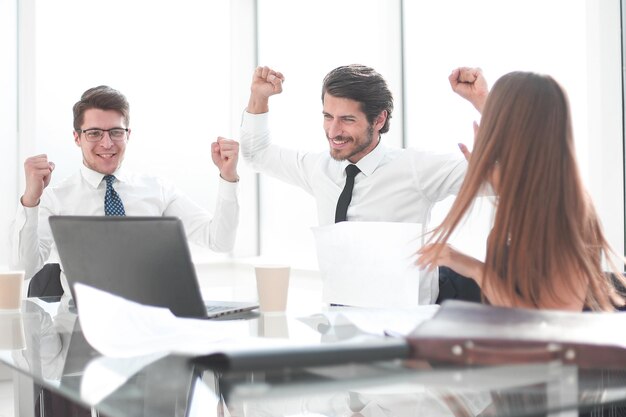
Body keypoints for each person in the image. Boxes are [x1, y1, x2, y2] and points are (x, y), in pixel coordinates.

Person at [240, 64, 488, 304]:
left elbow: (503, 181)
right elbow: (256, 154)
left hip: (406, 326)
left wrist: (483, 102)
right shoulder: (319, 168)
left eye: (347, 119)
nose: (333, 131)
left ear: (379, 120)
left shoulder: (416, 169)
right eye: (328, 117)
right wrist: (258, 97)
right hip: (337, 324)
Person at [417, 71, 626, 311]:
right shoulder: (527, 196)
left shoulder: (563, 211)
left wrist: (474, 268)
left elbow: (554, 321)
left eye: (493, 122)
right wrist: (483, 101)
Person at [11, 85, 240, 295]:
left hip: (149, 319)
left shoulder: (157, 190)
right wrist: (31, 200)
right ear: (77, 138)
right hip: (80, 326)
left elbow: (220, 241)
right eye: (94, 133)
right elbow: (25, 268)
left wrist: (228, 177)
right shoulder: (55, 198)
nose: (107, 143)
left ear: (128, 135)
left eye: (116, 132)